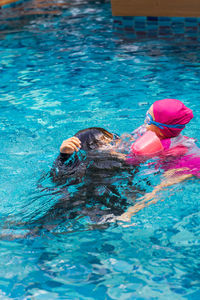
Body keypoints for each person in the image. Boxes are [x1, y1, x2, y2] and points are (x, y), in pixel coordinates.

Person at [119, 98, 200, 222]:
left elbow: (160, 191)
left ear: (160, 127)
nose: (144, 122)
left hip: (189, 167)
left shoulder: (184, 155)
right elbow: (127, 142)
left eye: (148, 119)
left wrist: (130, 213)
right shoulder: (149, 129)